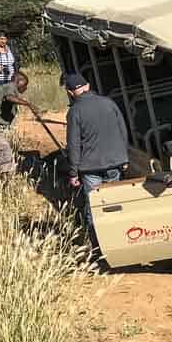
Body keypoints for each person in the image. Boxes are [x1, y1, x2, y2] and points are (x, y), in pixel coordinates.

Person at [62, 72, 130, 263]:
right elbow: (122, 130)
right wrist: (123, 157)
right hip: (114, 163)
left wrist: (73, 172)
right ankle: (120, 246)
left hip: (90, 167)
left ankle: (101, 253)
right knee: (113, 205)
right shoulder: (109, 103)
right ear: (88, 85)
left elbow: (74, 145)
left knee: (95, 209)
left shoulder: (75, 111)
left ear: (70, 92)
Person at [0, 71, 37, 183]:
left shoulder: (7, 88)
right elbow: (9, 97)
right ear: (18, 81)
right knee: (5, 157)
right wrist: (28, 104)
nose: (25, 88)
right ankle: (5, 185)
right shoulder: (10, 87)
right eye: (25, 84)